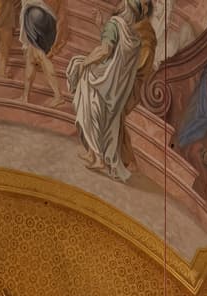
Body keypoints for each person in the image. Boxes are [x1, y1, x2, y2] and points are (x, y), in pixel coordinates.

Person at [68, 0, 155, 183]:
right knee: (99, 115)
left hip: (103, 80)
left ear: (125, 6)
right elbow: (118, 55)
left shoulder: (115, 24)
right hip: (116, 87)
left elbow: (105, 50)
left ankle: (98, 158)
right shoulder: (133, 35)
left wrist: (86, 62)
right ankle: (94, 155)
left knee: (82, 80)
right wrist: (100, 26)